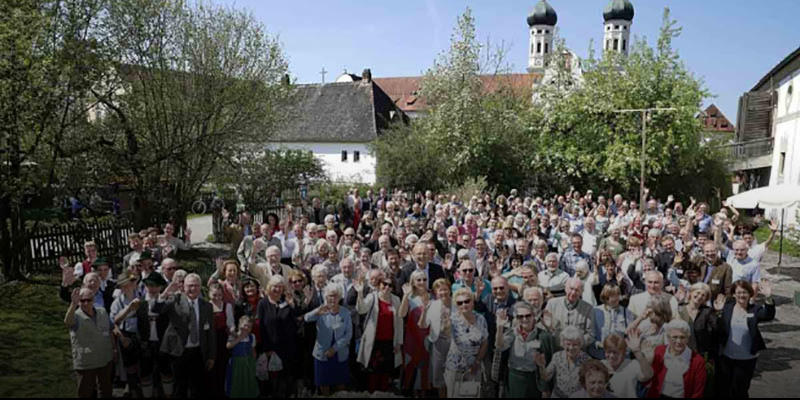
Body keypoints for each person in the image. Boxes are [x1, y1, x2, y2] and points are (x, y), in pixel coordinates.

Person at [152, 273, 216, 398]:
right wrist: (164, 294)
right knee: (179, 388)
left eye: (196, 286)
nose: (193, 289)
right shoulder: (175, 300)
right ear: (184, 287)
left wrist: (211, 356)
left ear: (201, 287)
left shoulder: (206, 306)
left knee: (197, 388)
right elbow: (156, 309)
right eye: (190, 286)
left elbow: (210, 332)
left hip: (198, 351)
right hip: (179, 351)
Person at [715, 279, 775, 398]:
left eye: (745, 292)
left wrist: (768, 298)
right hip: (726, 358)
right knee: (722, 389)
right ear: (733, 294)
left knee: (740, 390)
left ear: (750, 294)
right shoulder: (727, 308)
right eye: (739, 292)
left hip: (746, 359)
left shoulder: (755, 309)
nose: (742, 295)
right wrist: (718, 313)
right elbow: (718, 328)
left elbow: (768, 315)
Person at [495, 302, 557, 398]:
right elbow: (500, 346)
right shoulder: (513, 333)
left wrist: (546, 387)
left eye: (528, 316)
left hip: (534, 378)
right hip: (515, 378)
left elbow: (550, 357)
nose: (524, 319)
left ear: (534, 316)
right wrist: (499, 327)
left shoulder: (542, 335)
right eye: (520, 317)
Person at [355, 272, 403, 394]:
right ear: (379, 284)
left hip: (389, 342)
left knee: (386, 373)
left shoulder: (396, 300)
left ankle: (383, 395)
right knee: (373, 373)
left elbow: (399, 322)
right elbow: (361, 310)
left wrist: (399, 342)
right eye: (384, 284)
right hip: (374, 342)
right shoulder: (373, 297)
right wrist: (360, 293)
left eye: (390, 285)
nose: (387, 287)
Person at [65, 287, 115, 398]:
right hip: (86, 361)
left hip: (104, 358)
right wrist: (73, 304)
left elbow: (110, 330)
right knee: (85, 392)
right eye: (82, 300)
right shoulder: (76, 315)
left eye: (89, 300)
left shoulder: (102, 312)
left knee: (106, 390)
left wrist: (114, 350)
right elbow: (68, 322)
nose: (86, 303)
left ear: (94, 300)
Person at [257, 275, 302, 398]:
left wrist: (292, 304)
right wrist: (267, 349)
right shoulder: (263, 303)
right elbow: (260, 326)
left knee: (288, 378)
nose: (277, 289)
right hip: (271, 348)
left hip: (288, 347)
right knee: (274, 381)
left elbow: (297, 320)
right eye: (274, 286)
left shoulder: (286, 301)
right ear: (269, 287)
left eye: (280, 287)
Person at [305, 284, 353, 396]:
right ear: (326, 297)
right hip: (322, 354)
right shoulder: (321, 310)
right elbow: (306, 318)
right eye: (330, 296)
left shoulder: (345, 313)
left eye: (335, 296)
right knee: (324, 384)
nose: (332, 299)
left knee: (340, 384)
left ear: (339, 297)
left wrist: (334, 348)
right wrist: (316, 311)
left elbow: (348, 334)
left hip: (339, 353)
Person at [444, 287, 489, 399]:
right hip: (455, 368)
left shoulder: (481, 319)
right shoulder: (452, 320)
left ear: (472, 302)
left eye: (467, 301)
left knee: (472, 395)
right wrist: (446, 324)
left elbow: (484, 342)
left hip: (474, 367)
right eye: (460, 303)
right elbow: (447, 333)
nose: (464, 305)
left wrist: (477, 362)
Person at [644, 319, 707, 398]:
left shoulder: (697, 361)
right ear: (668, 337)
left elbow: (697, 392)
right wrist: (648, 361)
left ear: (688, 338)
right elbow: (646, 382)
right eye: (675, 337)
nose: (679, 341)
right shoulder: (659, 351)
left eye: (682, 337)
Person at [535, 325, 592, 398]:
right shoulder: (557, 357)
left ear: (580, 344)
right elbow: (546, 377)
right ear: (562, 344)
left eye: (575, 345)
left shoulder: (587, 360)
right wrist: (541, 366)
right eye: (568, 344)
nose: (571, 348)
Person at [419, 278, 453, 398]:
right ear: (435, 292)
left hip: (455, 346)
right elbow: (423, 325)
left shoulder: (458, 303)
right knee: (440, 378)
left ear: (450, 290)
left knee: (455, 376)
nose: (443, 292)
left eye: (445, 289)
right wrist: (424, 311)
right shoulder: (432, 305)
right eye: (440, 290)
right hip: (438, 344)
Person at [109, 273, 142, 397]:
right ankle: (132, 388)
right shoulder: (117, 302)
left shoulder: (141, 297)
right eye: (124, 285)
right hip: (126, 335)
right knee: (129, 364)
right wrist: (122, 338)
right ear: (121, 288)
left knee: (142, 363)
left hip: (141, 334)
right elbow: (113, 323)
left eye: (130, 283)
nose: (128, 287)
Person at [399, 269, 432, 394]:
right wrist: (405, 296)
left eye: (424, 279)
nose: (422, 282)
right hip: (412, 337)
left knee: (425, 366)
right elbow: (401, 314)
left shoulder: (432, 295)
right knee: (411, 365)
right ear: (413, 281)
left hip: (427, 337)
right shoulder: (410, 296)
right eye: (419, 280)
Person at [543, 277, 594, 348]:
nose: (573, 293)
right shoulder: (552, 304)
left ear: (581, 292)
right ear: (565, 288)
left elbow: (591, 334)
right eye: (571, 288)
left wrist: (575, 345)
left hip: (578, 351)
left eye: (577, 290)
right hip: (555, 349)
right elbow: (544, 329)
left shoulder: (588, 308)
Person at [589, 284, 636, 359]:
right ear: (605, 297)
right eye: (610, 296)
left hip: (620, 356)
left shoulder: (627, 312)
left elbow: (630, 336)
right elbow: (591, 334)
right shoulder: (595, 311)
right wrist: (598, 344)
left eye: (617, 295)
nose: (614, 298)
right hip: (600, 355)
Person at [602, 332, 654, 398]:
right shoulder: (600, 365)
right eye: (608, 352)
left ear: (623, 353)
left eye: (615, 352)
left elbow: (648, 375)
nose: (611, 356)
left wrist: (636, 351)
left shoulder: (632, 365)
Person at [208, 284, 234, 398]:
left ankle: (221, 393)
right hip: (209, 339)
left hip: (222, 339)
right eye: (214, 295)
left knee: (222, 368)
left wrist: (233, 330)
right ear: (209, 294)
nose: (217, 297)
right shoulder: (206, 305)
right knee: (210, 368)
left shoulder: (227, 306)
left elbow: (230, 323)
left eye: (219, 295)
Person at [225, 315, 259, 398]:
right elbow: (228, 346)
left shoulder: (252, 337)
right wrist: (240, 338)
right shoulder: (234, 335)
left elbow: (253, 351)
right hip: (237, 364)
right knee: (237, 381)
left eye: (249, 327)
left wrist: (254, 363)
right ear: (239, 325)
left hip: (248, 364)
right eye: (245, 326)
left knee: (248, 381)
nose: (247, 328)